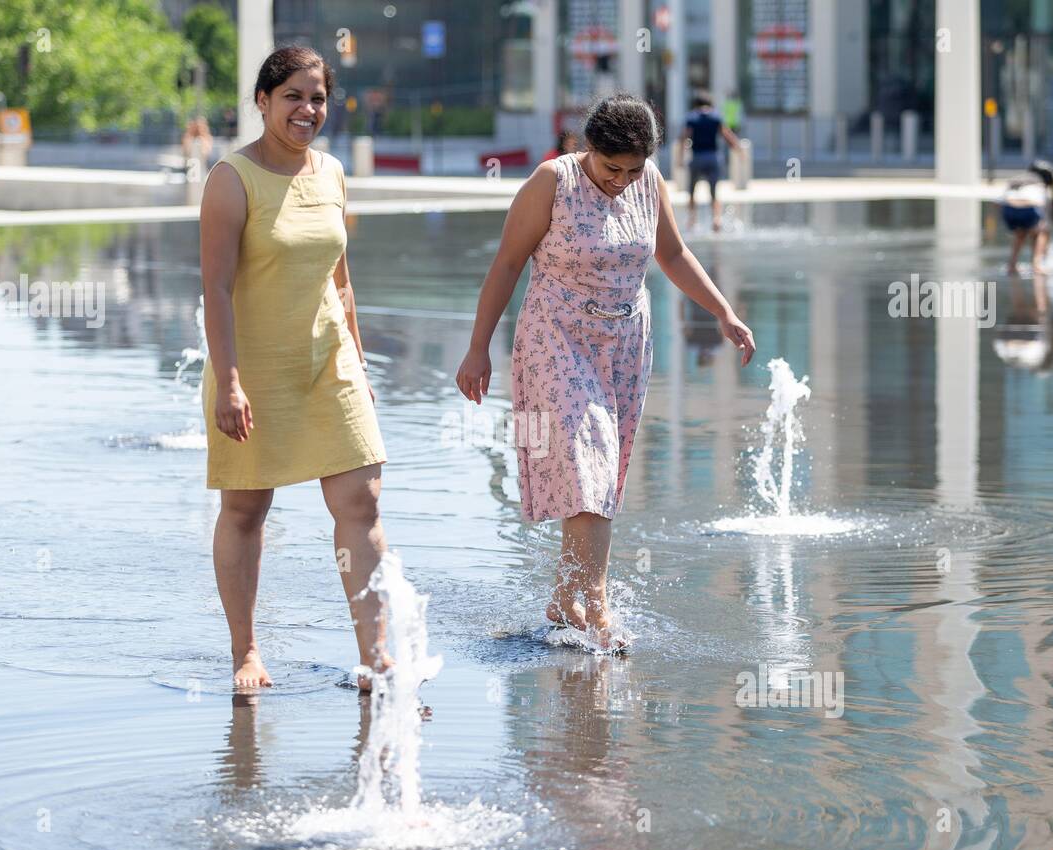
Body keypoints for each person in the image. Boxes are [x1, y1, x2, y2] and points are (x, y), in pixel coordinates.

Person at [454, 93, 756, 649]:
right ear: (587, 148)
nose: (621, 180)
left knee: (598, 472)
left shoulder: (649, 182)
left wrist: (725, 313)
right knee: (585, 459)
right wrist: (478, 348)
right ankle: (598, 606)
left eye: (633, 169)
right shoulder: (553, 181)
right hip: (556, 339)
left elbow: (673, 255)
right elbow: (507, 263)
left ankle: (564, 597)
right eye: (611, 167)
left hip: (622, 345)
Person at [199, 45, 390, 692]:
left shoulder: (332, 172)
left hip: (329, 362)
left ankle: (377, 655)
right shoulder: (231, 178)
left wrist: (360, 365)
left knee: (360, 502)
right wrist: (228, 382)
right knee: (247, 510)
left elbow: (342, 281)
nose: (307, 109)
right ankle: (245, 652)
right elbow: (216, 289)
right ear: (262, 101)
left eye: (317, 98)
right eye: (292, 97)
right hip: (252, 368)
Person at [681, 92, 742, 232]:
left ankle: (692, 220)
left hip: (696, 157)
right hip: (713, 157)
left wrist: (680, 158)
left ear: (696, 103)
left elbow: (683, 137)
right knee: (714, 191)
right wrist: (739, 150)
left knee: (692, 190)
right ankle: (716, 220)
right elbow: (728, 136)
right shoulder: (716, 117)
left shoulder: (691, 117)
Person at [1000, 159, 1053, 275]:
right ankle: (1037, 264)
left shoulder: (1018, 179)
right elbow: (1045, 218)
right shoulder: (1041, 185)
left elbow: (1000, 200)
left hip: (1008, 207)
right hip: (1029, 205)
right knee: (1041, 231)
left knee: (1021, 232)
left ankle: (1012, 265)